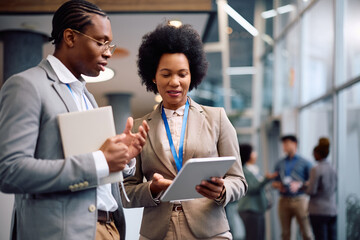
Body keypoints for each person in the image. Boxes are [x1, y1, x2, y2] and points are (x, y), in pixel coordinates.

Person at [0, 1, 149, 240]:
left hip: (109, 228)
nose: (109, 52)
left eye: (110, 44)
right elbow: (10, 171)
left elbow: (94, 175)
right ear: (70, 37)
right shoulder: (27, 85)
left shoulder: (86, 95)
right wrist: (100, 161)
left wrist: (122, 159)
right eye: (101, 42)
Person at [121, 23, 248, 240]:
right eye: (166, 74)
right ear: (153, 76)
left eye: (182, 74)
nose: (175, 82)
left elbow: (239, 180)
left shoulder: (216, 118)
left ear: (192, 75)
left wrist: (222, 190)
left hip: (210, 231)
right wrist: (151, 189)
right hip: (157, 233)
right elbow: (125, 192)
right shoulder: (139, 127)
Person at [272, 135, 313, 240]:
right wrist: (278, 186)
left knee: (307, 232)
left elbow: (312, 181)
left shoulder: (305, 163)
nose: (284, 146)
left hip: (300, 200)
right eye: (283, 144)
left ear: (295, 144)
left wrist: (299, 184)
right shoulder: (280, 163)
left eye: (287, 143)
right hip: (284, 200)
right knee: (285, 234)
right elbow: (274, 182)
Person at [237, 143, 277, 240]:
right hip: (250, 210)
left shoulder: (254, 169)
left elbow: (259, 186)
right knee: (253, 236)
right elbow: (251, 188)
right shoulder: (244, 171)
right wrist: (266, 179)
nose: (255, 154)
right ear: (248, 154)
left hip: (258, 209)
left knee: (259, 236)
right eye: (253, 152)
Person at [306, 137, 337, 240]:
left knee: (320, 237)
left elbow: (311, 191)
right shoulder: (333, 168)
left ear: (318, 154)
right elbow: (334, 187)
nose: (313, 156)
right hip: (331, 209)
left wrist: (303, 187)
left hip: (318, 210)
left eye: (314, 153)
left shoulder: (316, 169)